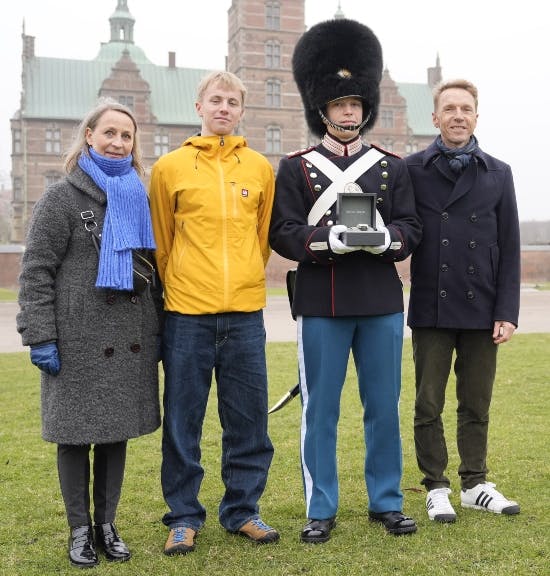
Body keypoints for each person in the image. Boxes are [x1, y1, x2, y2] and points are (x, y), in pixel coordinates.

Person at [269, 19, 422, 543]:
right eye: (339, 104)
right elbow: (283, 232)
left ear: (366, 108)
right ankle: (321, 505)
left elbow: (411, 227)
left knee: (383, 408)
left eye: (356, 103)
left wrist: (388, 239)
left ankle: (387, 500)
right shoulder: (296, 168)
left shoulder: (392, 167)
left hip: (380, 301)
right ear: (323, 109)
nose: (349, 111)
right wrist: (325, 242)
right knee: (322, 411)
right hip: (321, 302)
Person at [16, 98, 163, 568]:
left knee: (114, 434)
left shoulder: (139, 196)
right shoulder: (62, 198)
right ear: (89, 136)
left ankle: (107, 524)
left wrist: (157, 334)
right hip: (77, 340)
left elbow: (151, 273)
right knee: (75, 438)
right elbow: (36, 271)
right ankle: (79, 529)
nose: (119, 142)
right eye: (110, 133)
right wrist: (40, 335)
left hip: (127, 337)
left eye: (127, 135)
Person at [149, 70, 278, 555]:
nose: (224, 108)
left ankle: (243, 510)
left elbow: (262, 241)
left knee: (248, 423)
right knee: (184, 421)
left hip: (245, 316)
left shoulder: (260, 168)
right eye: (215, 100)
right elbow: (162, 243)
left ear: (242, 111)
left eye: (233, 102)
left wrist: (241, 281)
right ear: (199, 106)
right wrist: (186, 286)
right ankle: (183, 516)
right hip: (187, 317)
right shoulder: (170, 168)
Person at [406, 79, 521, 523]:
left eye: (466, 108)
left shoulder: (499, 172)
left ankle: (475, 483)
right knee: (427, 403)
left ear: (476, 116)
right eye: (449, 108)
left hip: (482, 306)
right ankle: (436, 486)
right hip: (432, 307)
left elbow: (509, 247)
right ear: (434, 118)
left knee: (476, 402)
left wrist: (506, 312)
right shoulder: (413, 169)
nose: (458, 115)